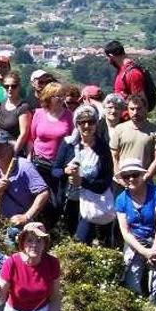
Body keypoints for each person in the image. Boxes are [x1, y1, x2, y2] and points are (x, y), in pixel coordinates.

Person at [114, 158, 156, 308]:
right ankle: (138, 308)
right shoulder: (121, 200)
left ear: (142, 175)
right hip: (135, 242)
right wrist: (145, 252)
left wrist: (154, 251)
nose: (131, 179)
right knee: (132, 280)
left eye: (135, 174)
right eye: (126, 176)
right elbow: (125, 232)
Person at [0, 222, 65, 311]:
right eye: (30, 240)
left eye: (39, 241)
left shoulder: (52, 263)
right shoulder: (11, 262)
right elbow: (1, 298)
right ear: (22, 243)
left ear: (45, 243)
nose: (34, 244)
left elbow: (55, 298)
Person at [53, 105, 115, 246]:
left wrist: (82, 182)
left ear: (96, 124)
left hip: (94, 203)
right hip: (70, 202)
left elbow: (106, 180)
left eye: (91, 122)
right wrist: (65, 171)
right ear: (77, 124)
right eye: (82, 122)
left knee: (82, 241)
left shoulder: (102, 147)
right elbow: (55, 170)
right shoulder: (68, 144)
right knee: (70, 240)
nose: (87, 126)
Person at [0, 130, 50, 241]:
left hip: (20, 226)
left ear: (10, 147)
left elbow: (44, 193)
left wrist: (27, 216)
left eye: (0, 146)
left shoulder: (24, 166)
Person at [29, 82, 73, 226]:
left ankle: (52, 229)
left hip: (59, 164)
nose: (60, 99)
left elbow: (72, 140)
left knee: (57, 200)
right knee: (39, 197)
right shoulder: (39, 114)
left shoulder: (69, 116)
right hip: (39, 162)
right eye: (56, 96)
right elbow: (32, 137)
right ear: (48, 97)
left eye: (62, 96)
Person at [110, 95, 156, 186]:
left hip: (144, 182)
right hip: (121, 182)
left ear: (145, 109)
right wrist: (120, 179)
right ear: (127, 109)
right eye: (132, 109)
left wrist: (146, 177)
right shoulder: (119, 129)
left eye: (139, 109)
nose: (135, 112)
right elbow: (114, 157)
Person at [0, 70, 31, 155]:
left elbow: (23, 134)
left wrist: (13, 153)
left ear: (19, 87)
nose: (10, 89)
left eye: (13, 86)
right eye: (7, 86)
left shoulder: (23, 107)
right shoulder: (1, 104)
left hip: (13, 150)